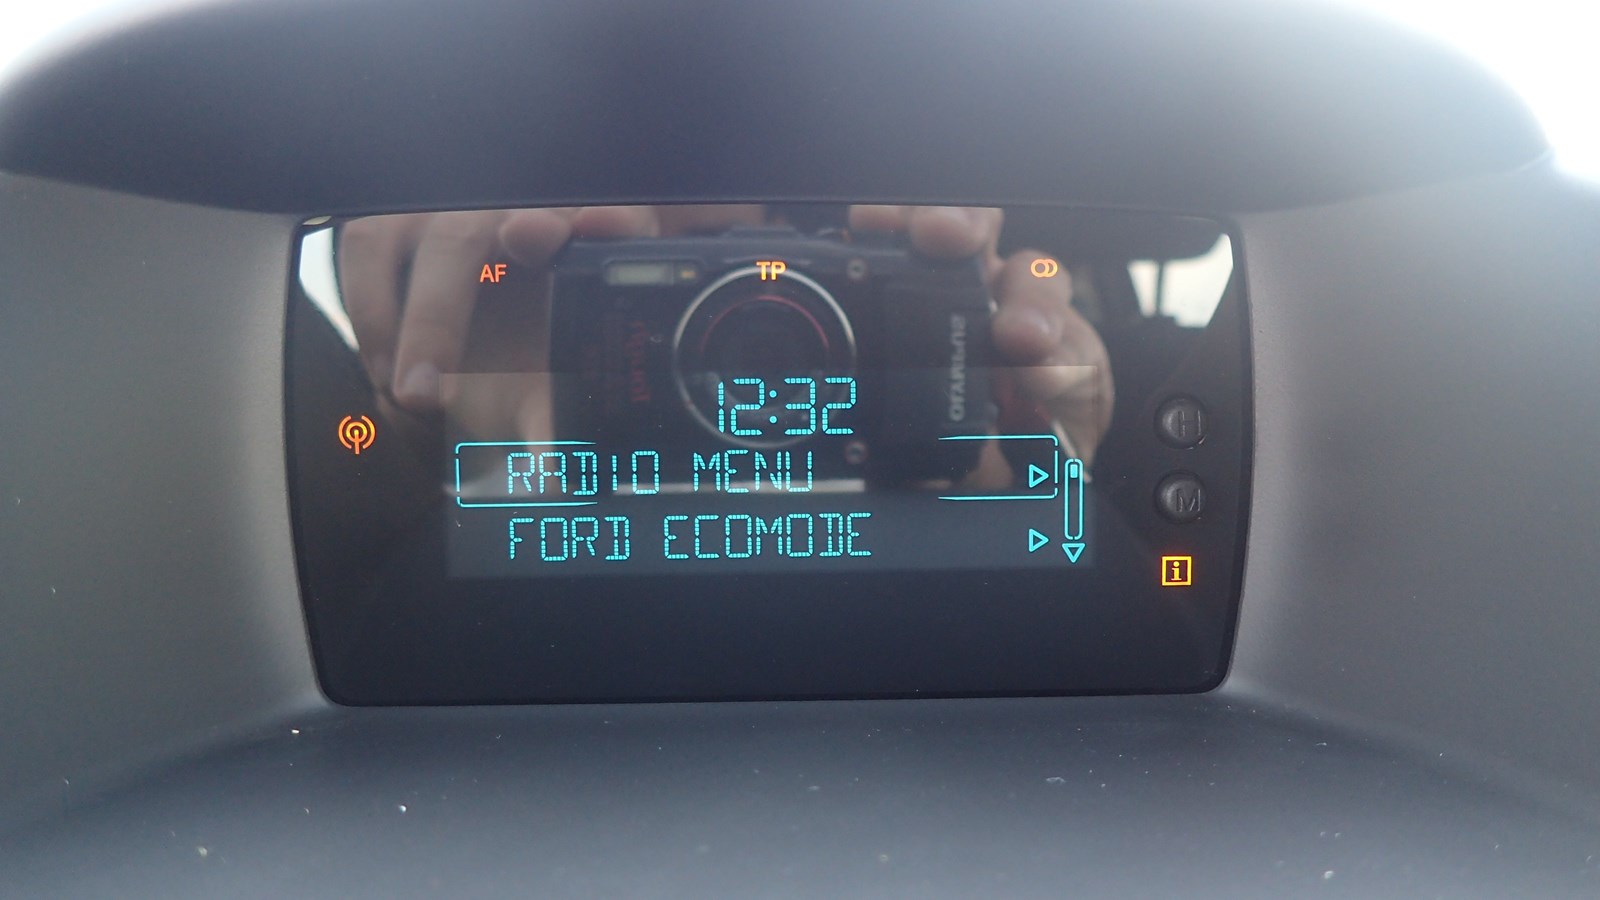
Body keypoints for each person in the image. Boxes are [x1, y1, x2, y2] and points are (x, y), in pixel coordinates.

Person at [335, 204, 1114, 484]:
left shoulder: (976, 429)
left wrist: (1036, 451)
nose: (760, 336)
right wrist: (435, 423)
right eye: (686, 258)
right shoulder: (521, 315)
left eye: (787, 236)